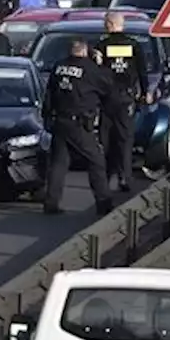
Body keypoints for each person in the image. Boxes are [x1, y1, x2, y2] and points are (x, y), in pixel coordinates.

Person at [43, 39, 115, 216]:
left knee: (59, 164)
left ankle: (51, 203)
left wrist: (47, 118)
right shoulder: (90, 70)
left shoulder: (59, 66)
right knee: (96, 161)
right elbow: (108, 86)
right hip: (79, 124)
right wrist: (101, 64)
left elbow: (49, 92)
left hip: (60, 121)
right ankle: (103, 203)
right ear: (84, 52)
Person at [94, 12, 151, 192]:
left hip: (106, 99)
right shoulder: (133, 45)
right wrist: (146, 91)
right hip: (126, 99)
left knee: (105, 139)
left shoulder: (101, 46)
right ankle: (125, 177)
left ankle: (105, 177)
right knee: (125, 139)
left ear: (110, 24)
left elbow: (95, 73)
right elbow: (142, 71)